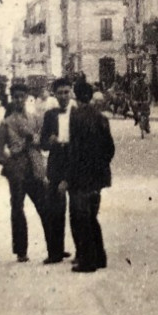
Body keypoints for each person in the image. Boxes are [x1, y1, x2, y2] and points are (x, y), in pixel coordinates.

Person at [0, 84, 50, 263]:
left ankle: (54, 248)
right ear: (12, 98)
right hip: (17, 171)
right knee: (18, 209)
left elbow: (43, 141)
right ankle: (21, 251)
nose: (18, 100)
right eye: (15, 97)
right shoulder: (6, 122)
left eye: (21, 97)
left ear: (26, 98)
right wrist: (8, 162)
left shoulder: (35, 119)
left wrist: (37, 142)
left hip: (34, 167)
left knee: (44, 207)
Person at [63, 80, 113, 272]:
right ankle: (100, 256)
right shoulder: (102, 117)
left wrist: (69, 176)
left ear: (75, 95)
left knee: (82, 218)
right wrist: (101, 167)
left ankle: (88, 260)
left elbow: (74, 151)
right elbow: (109, 149)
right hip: (98, 176)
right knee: (92, 216)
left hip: (81, 175)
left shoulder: (75, 117)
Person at [35, 77, 74, 264]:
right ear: (55, 95)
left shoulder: (77, 113)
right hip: (56, 167)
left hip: (75, 165)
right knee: (54, 210)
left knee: (78, 210)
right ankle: (55, 251)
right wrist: (48, 142)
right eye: (60, 93)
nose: (64, 96)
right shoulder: (50, 115)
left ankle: (82, 251)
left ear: (71, 92)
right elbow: (42, 142)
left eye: (67, 92)